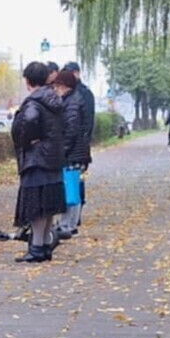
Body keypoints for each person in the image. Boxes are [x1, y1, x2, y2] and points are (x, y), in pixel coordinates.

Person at [11, 62, 66, 263]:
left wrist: (25, 141)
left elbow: (29, 121)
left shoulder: (33, 101)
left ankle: (35, 248)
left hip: (37, 158)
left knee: (36, 206)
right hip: (53, 157)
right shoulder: (54, 99)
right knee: (49, 205)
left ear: (28, 80)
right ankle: (44, 246)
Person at [53, 69, 89, 239]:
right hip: (77, 152)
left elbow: (71, 129)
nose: (55, 90)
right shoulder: (74, 99)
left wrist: (62, 150)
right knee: (72, 187)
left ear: (64, 86)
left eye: (57, 86)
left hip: (73, 153)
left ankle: (68, 225)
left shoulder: (72, 102)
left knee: (70, 188)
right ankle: (69, 224)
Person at [63, 61, 95, 228]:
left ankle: (77, 212)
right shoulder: (72, 92)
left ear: (77, 73)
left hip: (79, 146)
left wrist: (84, 140)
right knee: (72, 180)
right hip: (74, 145)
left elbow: (88, 120)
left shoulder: (84, 93)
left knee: (78, 180)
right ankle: (72, 215)